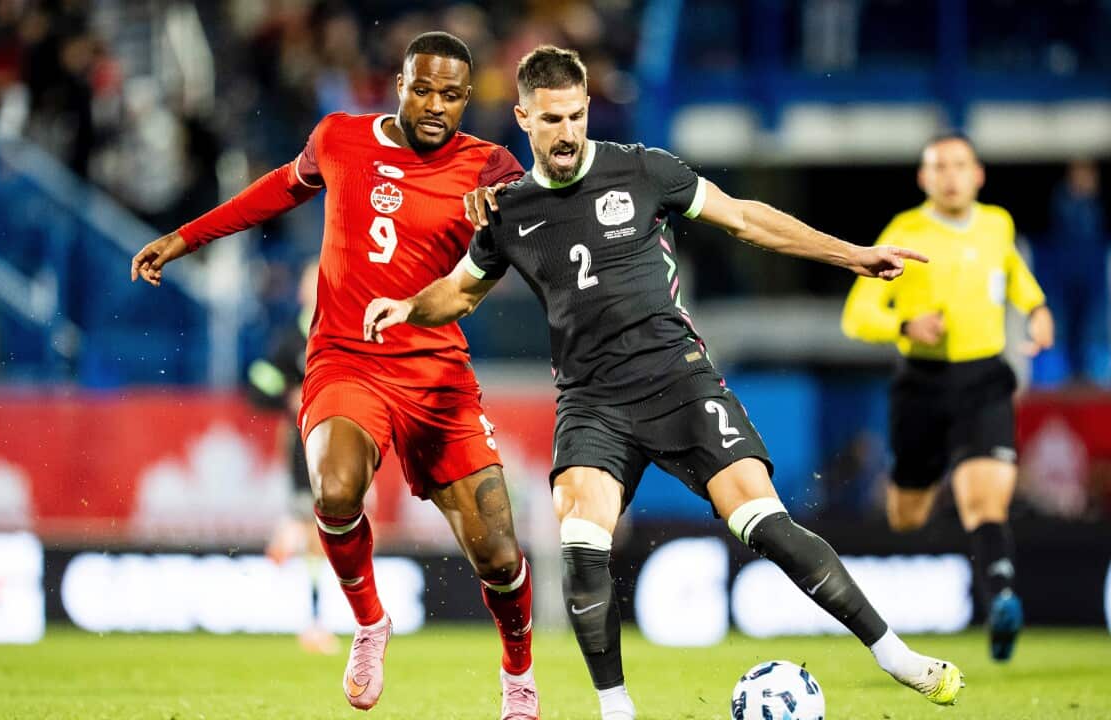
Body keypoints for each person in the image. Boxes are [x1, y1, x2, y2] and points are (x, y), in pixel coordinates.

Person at [364, 45, 961, 719]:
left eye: (576, 115)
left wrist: (850, 254)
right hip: (591, 401)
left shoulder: (643, 169)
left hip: (677, 380)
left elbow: (744, 217)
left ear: (588, 110)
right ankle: (617, 711)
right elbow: (461, 294)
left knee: (762, 522)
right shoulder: (509, 212)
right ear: (523, 117)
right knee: (580, 541)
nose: (567, 132)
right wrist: (409, 306)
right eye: (552, 119)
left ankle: (894, 655)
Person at [130, 32, 539, 719]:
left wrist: (516, 225)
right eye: (422, 88)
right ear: (398, 83)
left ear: (468, 98)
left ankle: (519, 679)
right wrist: (185, 236)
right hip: (346, 360)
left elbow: (549, 226)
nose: (435, 105)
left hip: (437, 374)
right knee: (336, 487)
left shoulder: (489, 166)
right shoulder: (341, 138)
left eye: (451, 94)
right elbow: (274, 193)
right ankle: (370, 624)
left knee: (499, 556)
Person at [841, 132, 1054, 662]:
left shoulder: (996, 223)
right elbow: (857, 315)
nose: (952, 175)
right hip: (921, 387)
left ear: (978, 174)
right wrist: (906, 323)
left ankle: (1001, 597)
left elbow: (1014, 275)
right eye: (940, 166)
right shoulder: (904, 232)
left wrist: (1039, 310)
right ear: (924, 178)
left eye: (960, 165)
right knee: (907, 514)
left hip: (984, 379)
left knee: (985, 502)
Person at [248, 261, 338, 655]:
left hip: (340, 445)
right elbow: (257, 378)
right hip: (305, 447)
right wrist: (288, 393)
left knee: (323, 527)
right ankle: (315, 621)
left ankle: (287, 535)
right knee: (320, 527)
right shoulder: (289, 340)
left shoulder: (342, 332)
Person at [1044, 159, 1106, 383]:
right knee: (1066, 327)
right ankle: (1067, 373)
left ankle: (1084, 372)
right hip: (1065, 278)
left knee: (1088, 328)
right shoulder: (1063, 203)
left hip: (1090, 279)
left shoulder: (1095, 206)